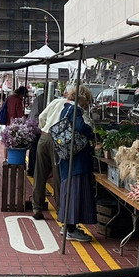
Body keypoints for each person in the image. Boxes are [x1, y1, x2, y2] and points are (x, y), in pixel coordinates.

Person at [56, 85, 96, 241]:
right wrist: (91, 133)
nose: (87, 104)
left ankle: (67, 226)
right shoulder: (74, 110)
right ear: (81, 98)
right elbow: (79, 127)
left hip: (67, 156)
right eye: (87, 100)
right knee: (74, 191)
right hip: (76, 159)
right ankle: (71, 228)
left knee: (69, 190)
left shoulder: (65, 109)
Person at [31, 90, 70, 220]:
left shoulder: (55, 101)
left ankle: (37, 207)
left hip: (44, 138)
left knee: (39, 174)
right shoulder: (74, 106)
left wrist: (44, 129)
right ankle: (60, 210)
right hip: (57, 140)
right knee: (58, 175)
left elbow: (41, 117)